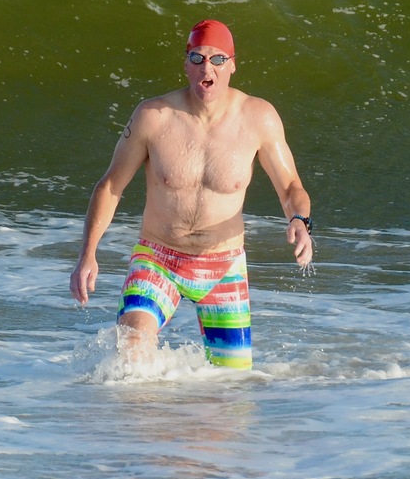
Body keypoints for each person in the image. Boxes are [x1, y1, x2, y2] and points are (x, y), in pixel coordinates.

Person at [69, 19, 314, 369]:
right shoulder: (153, 116)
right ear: (185, 64)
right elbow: (110, 186)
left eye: (217, 59)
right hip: (158, 258)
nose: (206, 68)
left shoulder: (259, 118)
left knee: (230, 390)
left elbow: (291, 187)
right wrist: (87, 254)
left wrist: (300, 220)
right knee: (131, 356)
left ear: (231, 64)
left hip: (223, 266)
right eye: (197, 58)